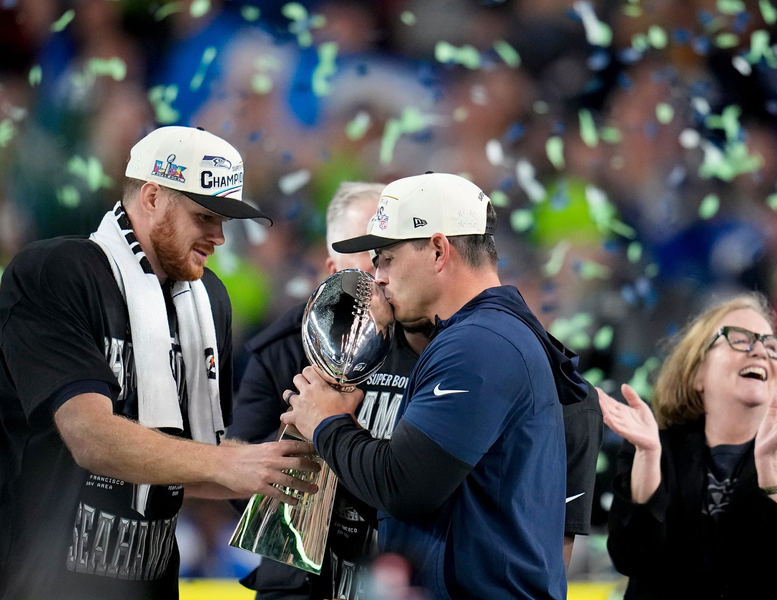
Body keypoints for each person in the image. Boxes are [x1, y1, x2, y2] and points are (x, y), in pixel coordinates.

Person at [0, 125, 320, 600]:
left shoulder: (209, 300)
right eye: (204, 217)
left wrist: (285, 475)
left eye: (225, 221)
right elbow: (89, 435)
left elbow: (191, 465)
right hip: (36, 581)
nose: (219, 238)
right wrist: (226, 463)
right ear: (152, 197)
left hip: (147, 584)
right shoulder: (57, 272)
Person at [282, 172, 593, 600]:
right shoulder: (491, 334)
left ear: (438, 250)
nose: (378, 276)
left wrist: (327, 421)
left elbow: (403, 486)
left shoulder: (478, 343)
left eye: (386, 257)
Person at [229, 181, 430, 600]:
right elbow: (234, 483)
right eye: (369, 256)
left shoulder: (432, 342)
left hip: (402, 574)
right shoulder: (283, 348)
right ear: (334, 271)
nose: (381, 273)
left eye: (389, 253)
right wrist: (310, 432)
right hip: (299, 581)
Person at [599, 293, 777, 599]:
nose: (760, 351)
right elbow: (633, 558)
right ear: (697, 373)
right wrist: (650, 458)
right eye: (740, 339)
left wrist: (773, 473)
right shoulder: (655, 447)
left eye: (772, 345)